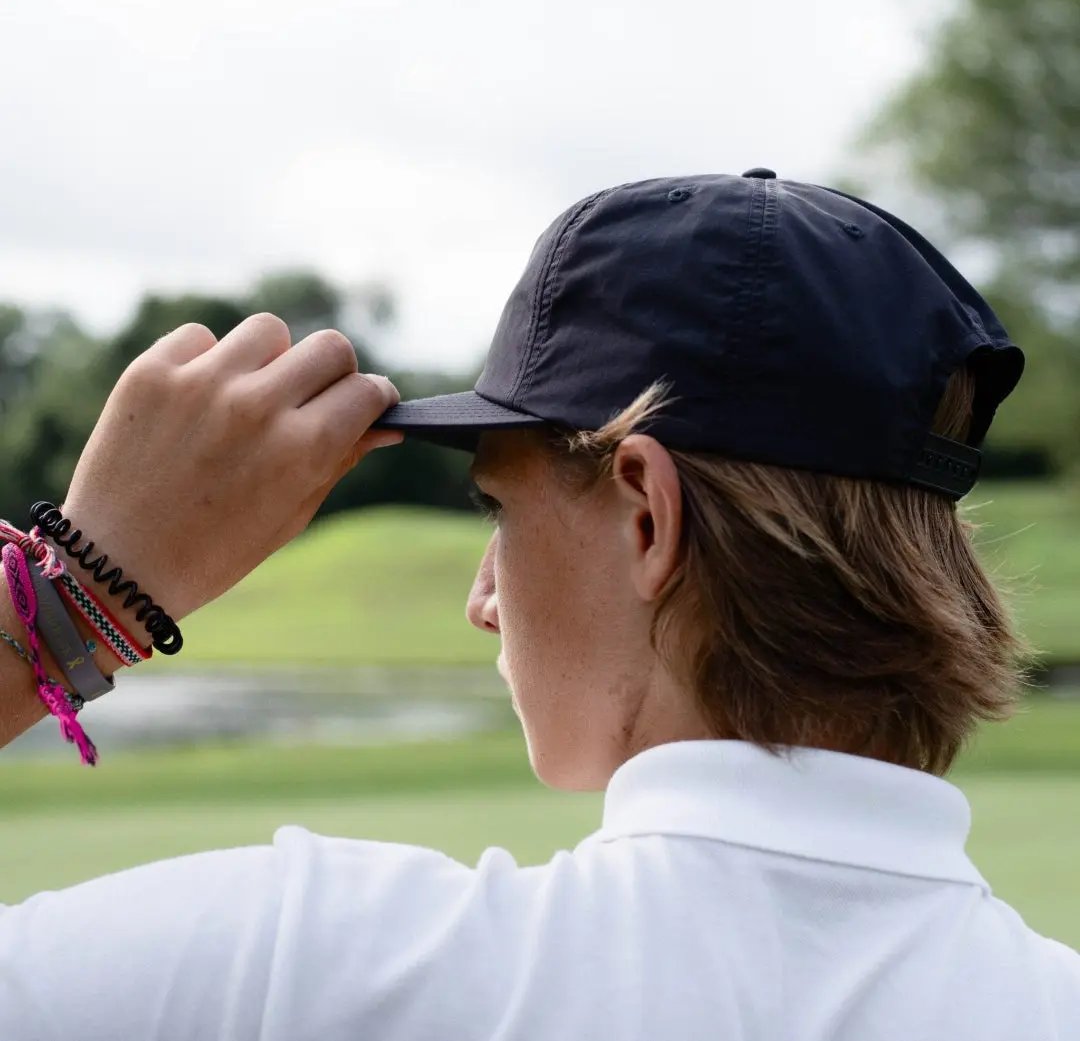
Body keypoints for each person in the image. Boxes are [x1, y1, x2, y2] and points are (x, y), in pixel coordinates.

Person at [0, 168, 1076, 1040]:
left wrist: (74, 597)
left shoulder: (295, 963)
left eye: (498, 512)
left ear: (648, 515)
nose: (482, 600)